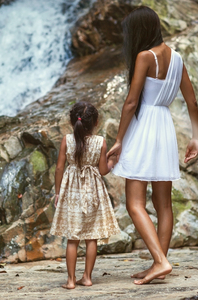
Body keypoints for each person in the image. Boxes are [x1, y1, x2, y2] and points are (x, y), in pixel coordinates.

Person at [107, 6, 198, 285]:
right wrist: (196, 137)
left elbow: (132, 102)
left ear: (139, 30)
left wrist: (119, 139)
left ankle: (160, 262)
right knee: (164, 205)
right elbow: (192, 101)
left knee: (135, 203)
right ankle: (159, 262)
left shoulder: (144, 56)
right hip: (165, 127)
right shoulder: (177, 58)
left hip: (144, 126)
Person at [50, 101, 121, 289]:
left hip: (71, 191)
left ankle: (71, 280)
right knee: (92, 237)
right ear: (96, 122)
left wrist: (58, 192)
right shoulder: (101, 142)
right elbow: (103, 170)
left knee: (72, 239)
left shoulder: (67, 140)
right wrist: (112, 160)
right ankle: (87, 277)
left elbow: (59, 168)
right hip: (93, 191)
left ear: (72, 121)